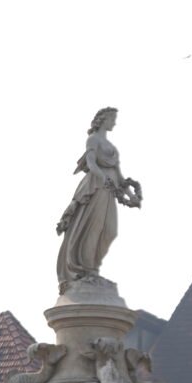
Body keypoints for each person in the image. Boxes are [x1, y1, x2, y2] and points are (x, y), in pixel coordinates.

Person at [56, 107, 139, 292]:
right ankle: (88, 272)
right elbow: (91, 163)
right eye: (112, 119)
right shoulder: (93, 140)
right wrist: (103, 178)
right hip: (96, 187)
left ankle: (92, 269)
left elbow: (120, 176)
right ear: (103, 120)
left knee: (110, 231)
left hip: (109, 190)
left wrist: (131, 196)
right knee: (93, 228)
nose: (114, 122)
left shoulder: (112, 147)